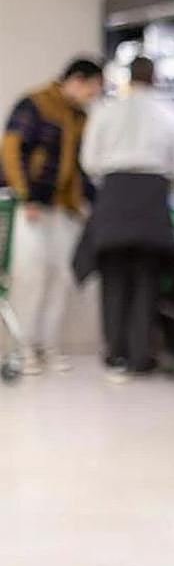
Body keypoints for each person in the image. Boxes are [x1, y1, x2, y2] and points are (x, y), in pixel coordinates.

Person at [78, 56, 174, 382]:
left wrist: (112, 184)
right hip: (152, 198)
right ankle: (141, 356)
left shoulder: (106, 112)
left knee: (113, 279)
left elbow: (89, 161)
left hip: (113, 195)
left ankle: (115, 355)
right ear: (154, 78)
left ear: (129, 77)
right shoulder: (169, 114)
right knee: (147, 280)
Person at [1, 57, 102, 374]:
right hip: (32, 207)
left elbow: (80, 167)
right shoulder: (35, 104)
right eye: (93, 88)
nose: (93, 96)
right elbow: (12, 149)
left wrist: (92, 202)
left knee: (61, 277)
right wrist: (26, 194)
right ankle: (23, 347)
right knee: (30, 277)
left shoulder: (80, 117)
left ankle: (49, 345)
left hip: (64, 210)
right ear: (77, 79)